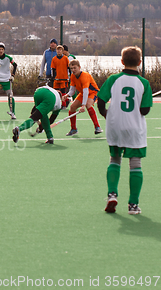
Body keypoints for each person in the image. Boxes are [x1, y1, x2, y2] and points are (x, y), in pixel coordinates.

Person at [97, 46, 152, 215]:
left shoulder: (113, 79)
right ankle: (133, 205)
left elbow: (100, 100)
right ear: (140, 62)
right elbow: (144, 110)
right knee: (135, 163)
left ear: (122, 61)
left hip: (115, 127)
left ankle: (112, 194)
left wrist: (107, 115)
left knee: (114, 159)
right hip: (134, 128)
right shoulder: (144, 83)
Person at [61, 59, 102, 136]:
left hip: (93, 92)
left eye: (75, 68)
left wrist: (83, 105)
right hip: (83, 93)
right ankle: (73, 129)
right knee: (72, 107)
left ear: (79, 67)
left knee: (88, 104)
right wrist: (67, 95)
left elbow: (86, 91)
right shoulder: (72, 76)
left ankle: (97, 127)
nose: (73, 70)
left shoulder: (84, 76)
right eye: (71, 68)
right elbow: (72, 90)